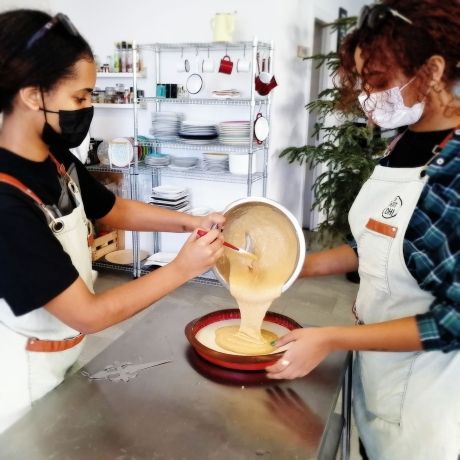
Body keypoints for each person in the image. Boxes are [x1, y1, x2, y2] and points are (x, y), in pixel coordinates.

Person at [0, 9, 224, 433]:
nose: (89, 108)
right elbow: (88, 314)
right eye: (81, 98)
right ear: (32, 95)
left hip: (62, 354)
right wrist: (182, 268)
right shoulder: (6, 204)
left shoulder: (53, 157)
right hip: (19, 382)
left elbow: (111, 209)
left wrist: (191, 220)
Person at [266, 1, 460, 459]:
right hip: (379, 372)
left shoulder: (453, 175)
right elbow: (373, 244)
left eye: (376, 80)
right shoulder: (404, 141)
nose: (369, 98)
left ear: (431, 71)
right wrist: (293, 268)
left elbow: (454, 320)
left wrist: (332, 337)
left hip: (426, 403)